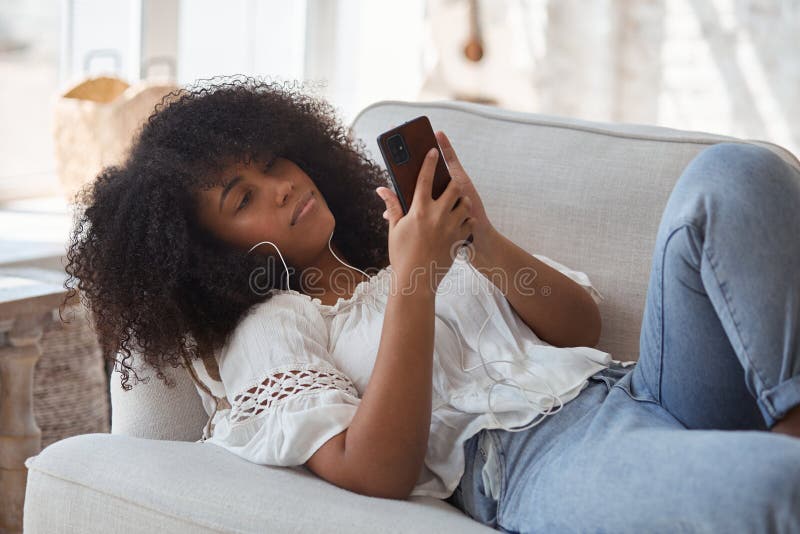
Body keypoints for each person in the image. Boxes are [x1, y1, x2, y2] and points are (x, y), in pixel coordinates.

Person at [63, 77, 800, 533]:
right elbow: (375, 468)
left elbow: (582, 325)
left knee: (734, 171)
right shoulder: (273, 326)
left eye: (272, 163)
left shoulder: (404, 243)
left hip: (636, 390)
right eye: (243, 198)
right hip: (536, 463)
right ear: (208, 253)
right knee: (777, 486)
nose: (281, 186)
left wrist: (481, 243)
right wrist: (418, 278)